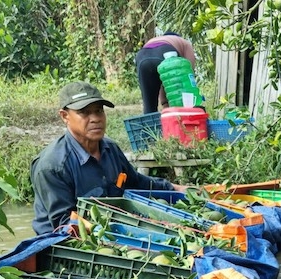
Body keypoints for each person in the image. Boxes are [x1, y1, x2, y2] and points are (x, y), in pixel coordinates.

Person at [30, 81, 186, 236]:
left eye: (99, 111)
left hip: (110, 232)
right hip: (65, 245)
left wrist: (176, 189)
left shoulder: (110, 149)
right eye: (84, 112)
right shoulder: (52, 166)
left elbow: (137, 183)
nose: (95, 119)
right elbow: (65, 224)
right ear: (65, 116)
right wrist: (116, 233)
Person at [135, 31, 196, 114]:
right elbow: (189, 75)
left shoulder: (154, 40)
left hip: (142, 56)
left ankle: (149, 125)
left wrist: (164, 103)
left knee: (149, 106)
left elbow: (161, 80)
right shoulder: (184, 43)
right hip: (166, 52)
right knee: (179, 102)